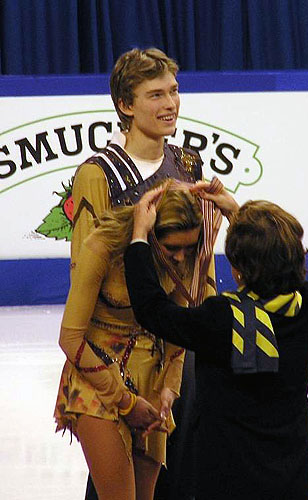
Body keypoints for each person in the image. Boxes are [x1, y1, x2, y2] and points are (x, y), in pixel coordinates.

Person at [70, 47, 216, 499]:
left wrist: (204, 315)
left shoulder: (187, 163)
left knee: (177, 471)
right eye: (155, 94)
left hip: (174, 344)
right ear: (126, 105)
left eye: (174, 90)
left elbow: (199, 256)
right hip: (112, 349)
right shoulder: (98, 174)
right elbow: (86, 273)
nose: (170, 102)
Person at [124, 183, 308, 500]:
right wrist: (236, 214)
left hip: (230, 477)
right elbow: (281, 269)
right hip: (292, 473)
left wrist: (138, 237)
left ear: (238, 271)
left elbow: (153, 311)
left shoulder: (222, 318)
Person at [54, 184, 208, 500]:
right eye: (172, 249)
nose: (181, 258)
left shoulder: (187, 254)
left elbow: (177, 329)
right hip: (96, 381)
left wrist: (170, 388)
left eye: (188, 250)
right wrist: (125, 401)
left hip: (151, 382)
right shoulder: (103, 246)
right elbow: (69, 337)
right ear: (150, 235)